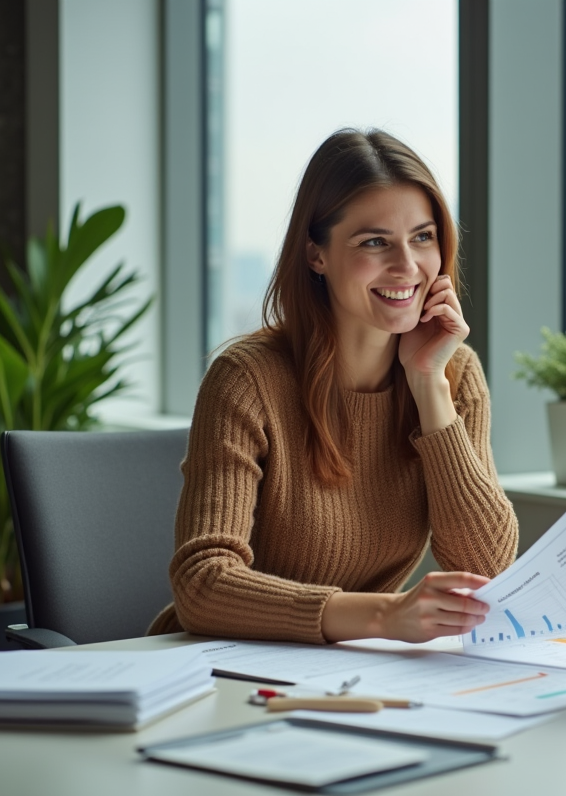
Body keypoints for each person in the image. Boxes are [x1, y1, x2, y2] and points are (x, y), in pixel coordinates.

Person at [149, 129, 518, 645]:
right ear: (316, 254)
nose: (407, 266)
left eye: (422, 237)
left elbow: (486, 569)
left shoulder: (453, 373)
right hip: (221, 662)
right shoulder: (247, 379)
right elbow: (202, 585)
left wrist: (428, 384)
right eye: (374, 242)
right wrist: (383, 616)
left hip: (352, 665)